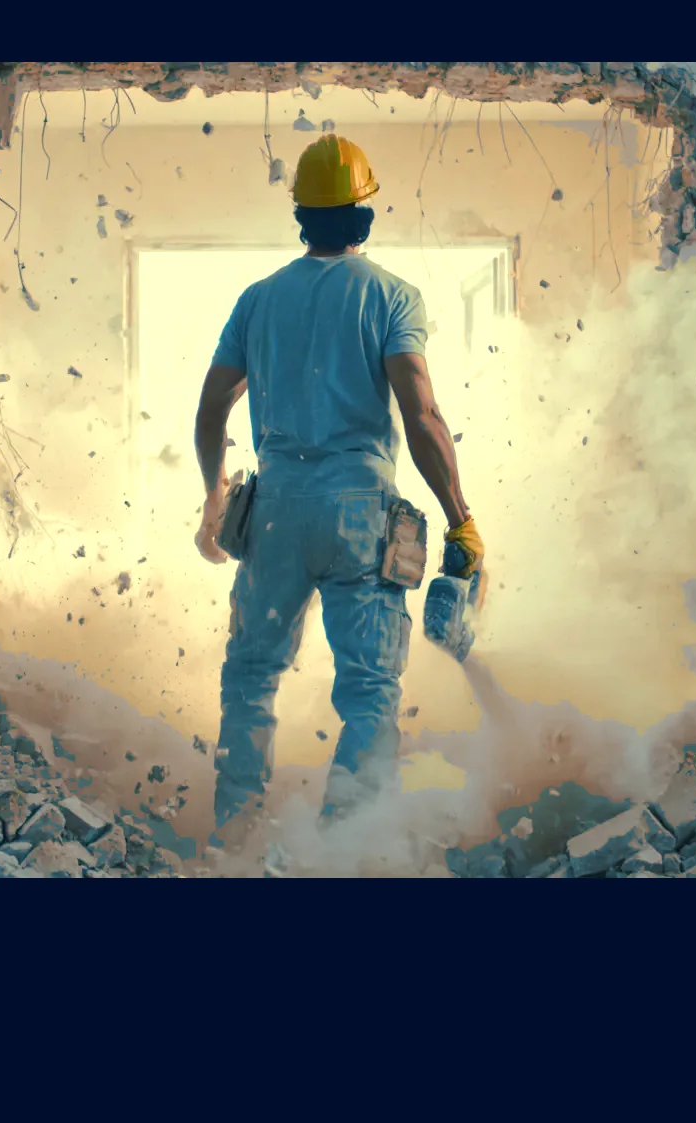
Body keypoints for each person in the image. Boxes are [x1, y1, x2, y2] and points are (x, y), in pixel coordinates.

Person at [192, 133, 485, 857]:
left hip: (277, 511)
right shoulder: (390, 296)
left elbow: (210, 411)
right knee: (370, 686)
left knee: (252, 672)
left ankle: (235, 839)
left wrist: (212, 496)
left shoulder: (257, 302)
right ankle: (349, 847)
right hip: (360, 512)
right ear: (364, 216)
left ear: (302, 215)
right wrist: (460, 517)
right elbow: (421, 416)